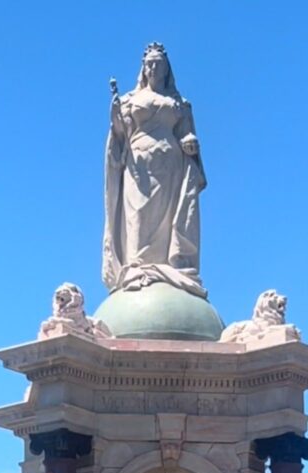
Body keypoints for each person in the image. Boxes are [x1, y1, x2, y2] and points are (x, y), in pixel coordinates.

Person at [103, 43, 207, 298]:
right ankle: (137, 268)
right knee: (138, 214)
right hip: (138, 163)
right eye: (149, 63)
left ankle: (172, 265)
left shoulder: (180, 103)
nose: (153, 67)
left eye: (158, 63)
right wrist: (116, 118)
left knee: (172, 215)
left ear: (166, 68)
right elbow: (119, 137)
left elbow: (187, 134)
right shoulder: (129, 100)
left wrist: (190, 143)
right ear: (143, 68)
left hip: (171, 162)